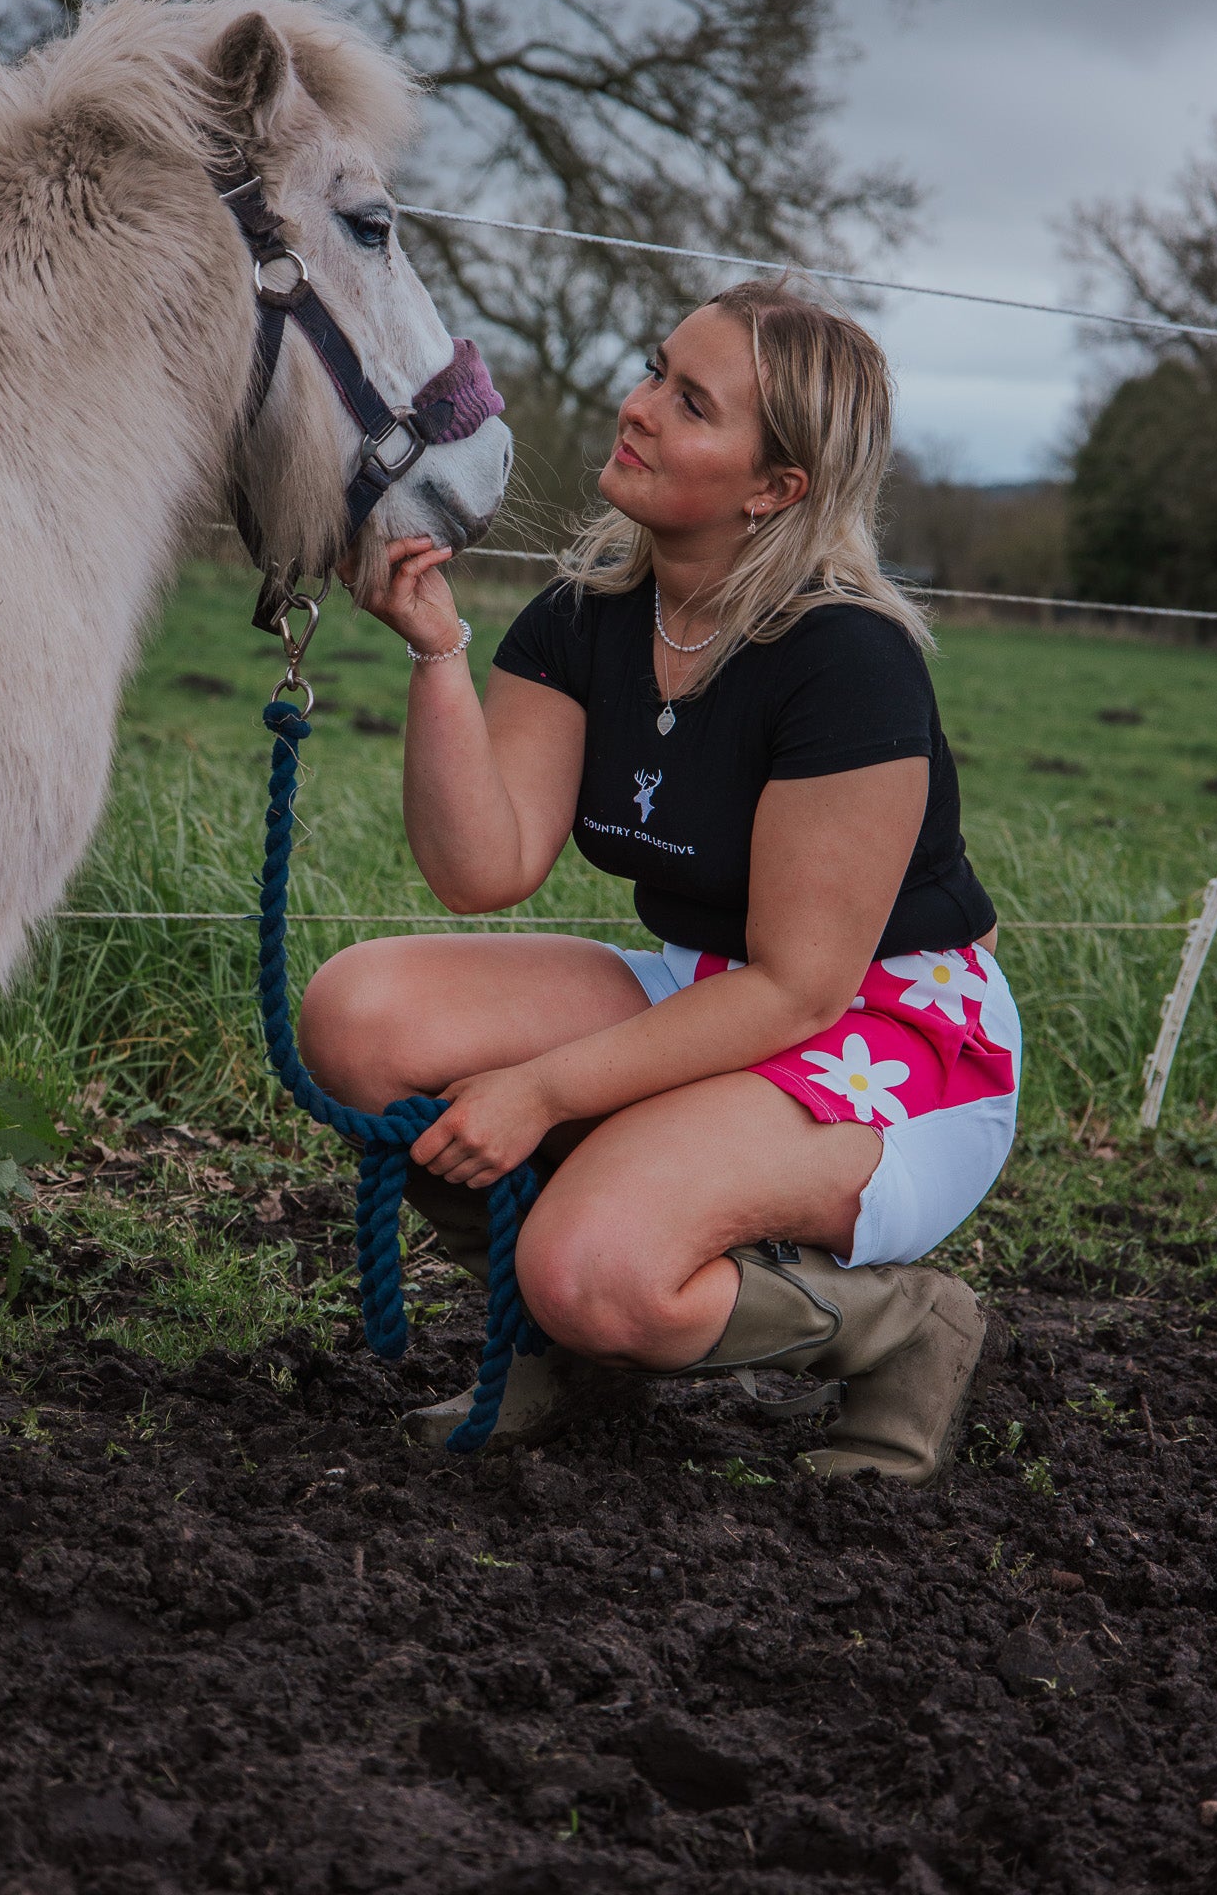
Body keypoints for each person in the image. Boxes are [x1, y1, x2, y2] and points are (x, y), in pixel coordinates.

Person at [299, 279, 1021, 1485]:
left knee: (596, 1265)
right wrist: (436, 653)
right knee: (359, 1016)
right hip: (708, 983)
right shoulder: (586, 618)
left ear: (773, 487)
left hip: (891, 1030)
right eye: (653, 372)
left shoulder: (848, 660)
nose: (635, 408)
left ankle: (902, 1324)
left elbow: (799, 988)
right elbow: (484, 869)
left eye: (690, 404)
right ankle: (563, 1342)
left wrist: (538, 1091)